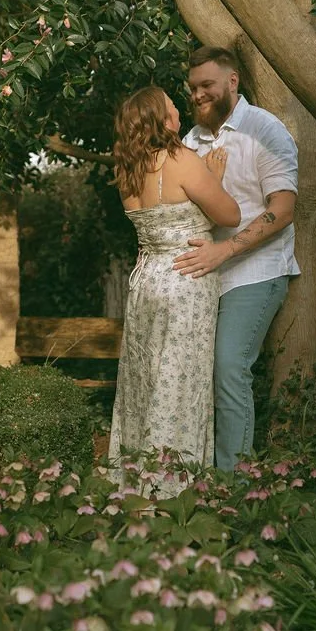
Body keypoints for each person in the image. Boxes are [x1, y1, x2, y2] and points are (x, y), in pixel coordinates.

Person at [107, 85, 239, 485]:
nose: (177, 107)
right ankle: (170, 488)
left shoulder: (124, 167)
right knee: (180, 386)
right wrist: (213, 177)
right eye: (170, 104)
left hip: (146, 282)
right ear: (161, 120)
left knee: (145, 383)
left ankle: (133, 481)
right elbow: (229, 215)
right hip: (185, 281)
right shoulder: (184, 159)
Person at [175, 46, 298, 471]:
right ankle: (190, 475)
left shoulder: (266, 130)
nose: (198, 95)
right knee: (189, 370)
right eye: (192, 88)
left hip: (255, 270)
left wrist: (224, 250)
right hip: (203, 274)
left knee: (229, 367)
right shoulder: (189, 141)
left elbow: (282, 209)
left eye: (206, 85)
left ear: (232, 81)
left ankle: (234, 489)